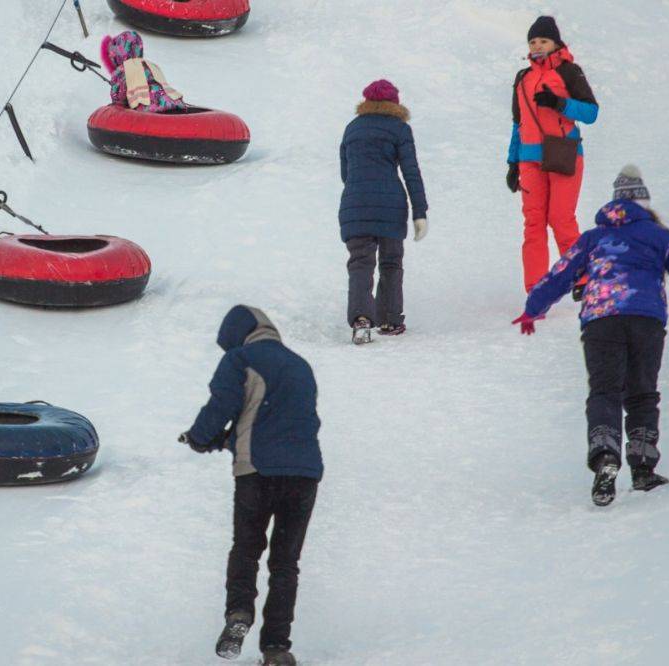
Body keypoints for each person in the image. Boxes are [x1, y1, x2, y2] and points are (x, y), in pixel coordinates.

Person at [512, 165, 669, 506]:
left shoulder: (594, 239)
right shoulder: (660, 237)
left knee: (605, 391)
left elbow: (561, 274)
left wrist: (533, 308)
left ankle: (605, 457)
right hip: (646, 321)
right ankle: (643, 469)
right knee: (642, 394)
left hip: (601, 321)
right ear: (643, 203)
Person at [179, 305, 322, 666]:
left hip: (257, 472)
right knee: (285, 563)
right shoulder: (300, 365)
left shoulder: (240, 359)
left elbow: (224, 405)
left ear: (237, 336)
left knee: (246, 549)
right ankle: (276, 648)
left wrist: (199, 437)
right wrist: (224, 440)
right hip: (304, 475)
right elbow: (273, 421)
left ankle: (239, 614)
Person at [506, 16, 599, 299]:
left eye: (542, 41)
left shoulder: (569, 72)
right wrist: (512, 163)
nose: (537, 46)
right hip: (529, 159)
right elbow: (517, 123)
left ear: (555, 43)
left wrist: (559, 103)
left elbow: (591, 113)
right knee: (533, 223)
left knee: (561, 219)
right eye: (532, 41)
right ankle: (537, 289)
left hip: (563, 153)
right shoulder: (523, 78)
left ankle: (582, 276)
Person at [339, 79, 428, 344]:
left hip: (354, 203)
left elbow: (346, 173)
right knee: (391, 262)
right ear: (394, 103)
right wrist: (419, 212)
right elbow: (411, 172)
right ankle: (390, 320)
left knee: (360, 263)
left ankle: (361, 320)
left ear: (366, 102)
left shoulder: (351, 129)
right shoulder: (400, 129)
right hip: (391, 204)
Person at [99, 31, 187, 112]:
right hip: (172, 101)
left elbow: (118, 98)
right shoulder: (150, 65)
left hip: (148, 108)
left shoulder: (121, 70)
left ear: (117, 54)